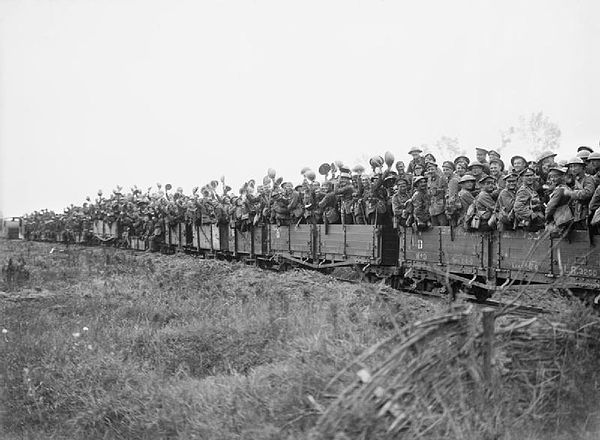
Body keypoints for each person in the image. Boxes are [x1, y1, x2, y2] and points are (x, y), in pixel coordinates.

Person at [567, 157, 595, 230]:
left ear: (582, 167)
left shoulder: (588, 179)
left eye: (575, 166)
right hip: (577, 213)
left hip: (585, 213)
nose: (573, 169)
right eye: (571, 167)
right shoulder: (574, 180)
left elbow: (588, 193)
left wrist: (571, 193)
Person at [513, 167, 545, 231]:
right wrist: (532, 215)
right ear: (522, 178)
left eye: (532, 175)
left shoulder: (531, 189)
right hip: (529, 223)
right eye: (527, 176)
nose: (530, 177)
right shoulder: (523, 191)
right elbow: (518, 207)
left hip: (534, 222)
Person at [544, 167, 573, 236]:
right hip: (565, 218)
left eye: (555, 176)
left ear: (562, 177)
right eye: (551, 177)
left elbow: (551, 206)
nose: (553, 179)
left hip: (559, 219)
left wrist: (546, 218)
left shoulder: (560, 190)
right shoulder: (566, 188)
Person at [426, 161, 448, 226]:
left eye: (432, 169)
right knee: (434, 228)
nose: (430, 171)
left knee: (443, 226)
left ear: (436, 169)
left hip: (441, 208)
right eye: (429, 169)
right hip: (432, 208)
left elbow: (446, 191)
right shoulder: (429, 179)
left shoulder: (442, 178)